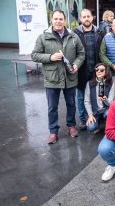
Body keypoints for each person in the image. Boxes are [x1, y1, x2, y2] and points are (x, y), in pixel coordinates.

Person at [31, 10, 85, 144]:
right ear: (51, 20)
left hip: (70, 77)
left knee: (71, 104)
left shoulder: (73, 36)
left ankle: (71, 125)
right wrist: (50, 57)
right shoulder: (43, 37)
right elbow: (35, 55)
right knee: (52, 107)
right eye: (56, 19)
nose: (58, 21)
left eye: (61, 19)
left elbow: (81, 53)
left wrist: (77, 65)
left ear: (65, 20)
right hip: (52, 78)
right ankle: (53, 131)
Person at [73, 9, 105, 130]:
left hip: (96, 70)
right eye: (84, 17)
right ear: (80, 19)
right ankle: (82, 119)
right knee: (81, 96)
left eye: (88, 16)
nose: (86, 19)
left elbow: (102, 51)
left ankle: (99, 116)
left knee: (98, 93)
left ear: (92, 18)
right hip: (81, 70)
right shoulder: (75, 33)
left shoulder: (99, 31)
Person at [84, 63, 115, 133]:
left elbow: (111, 103)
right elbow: (87, 101)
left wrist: (105, 100)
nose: (98, 71)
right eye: (97, 70)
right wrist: (90, 115)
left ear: (106, 71)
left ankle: (108, 125)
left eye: (101, 70)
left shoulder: (110, 83)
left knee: (108, 113)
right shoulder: (89, 84)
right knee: (91, 128)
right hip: (95, 111)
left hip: (105, 109)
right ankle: (98, 123)